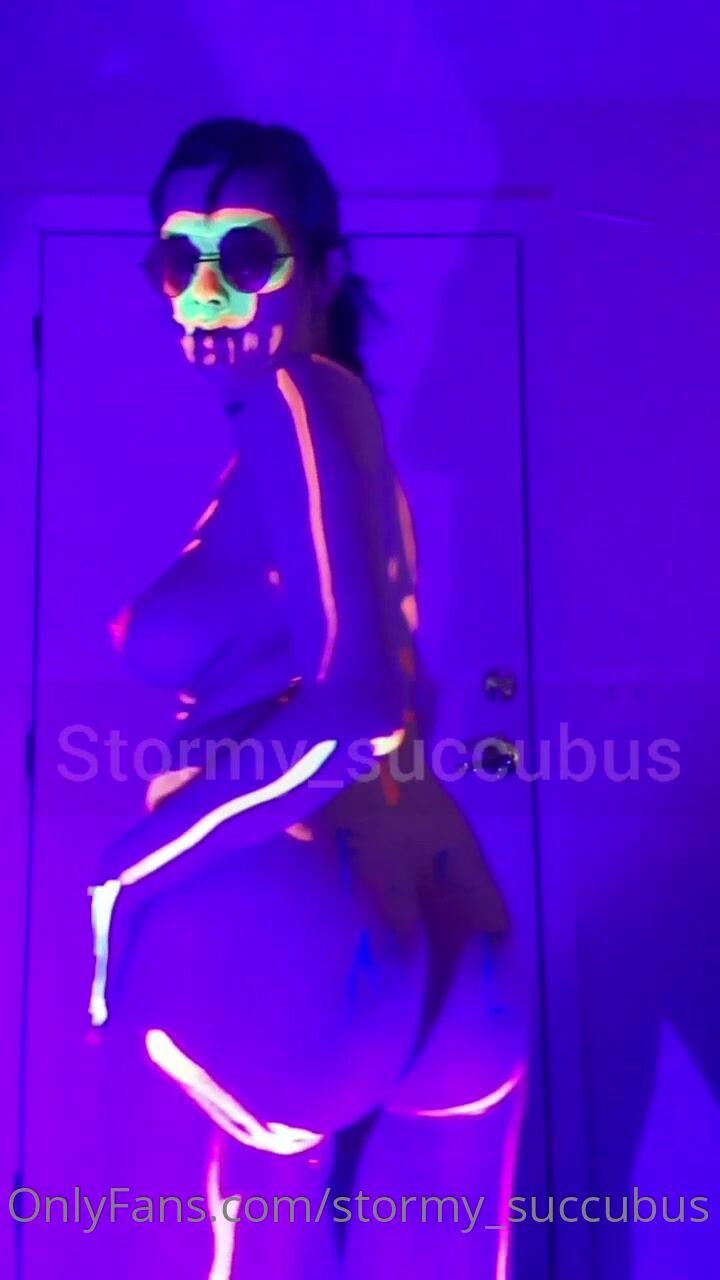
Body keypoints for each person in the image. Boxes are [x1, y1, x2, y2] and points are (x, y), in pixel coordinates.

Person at [87, 118, 527, 1278]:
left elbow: (360, 708)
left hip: (295, 903)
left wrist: (128, 870)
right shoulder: (337, 437)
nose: (205, 291)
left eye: (247, 253)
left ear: (324, 272)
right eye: (178, 258)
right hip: (446, 912)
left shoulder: (300, 397)